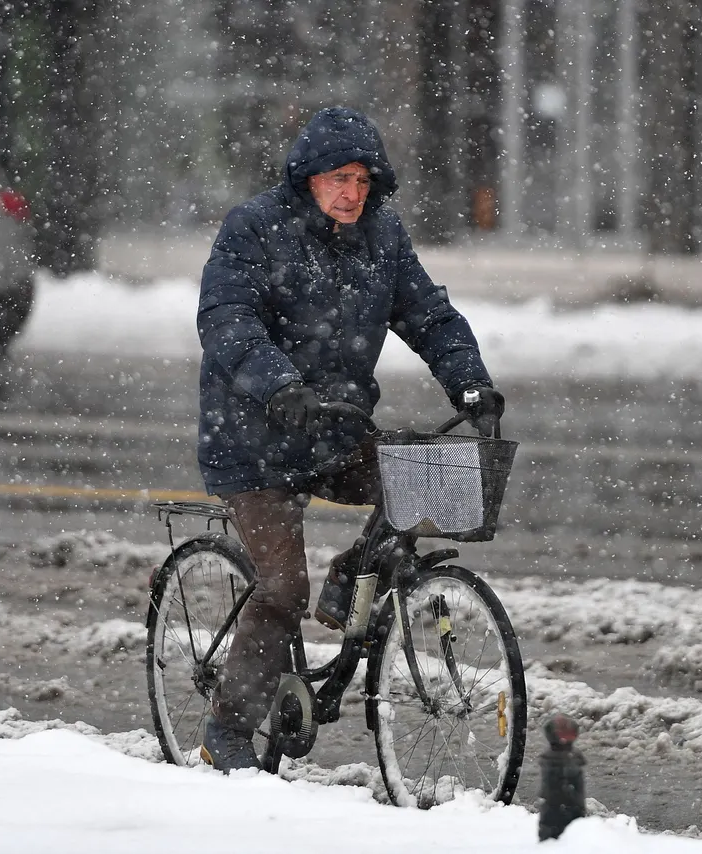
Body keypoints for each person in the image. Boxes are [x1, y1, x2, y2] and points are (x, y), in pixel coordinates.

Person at [194, 106, 504, 772]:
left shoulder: (381, 238)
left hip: (333, 429)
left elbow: (429, 315)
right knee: (280, 590)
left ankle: (350, 577)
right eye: (340, 177)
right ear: (307, 177)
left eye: (364, 180)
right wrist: (278, 386)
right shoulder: (253, 231)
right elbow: (228, 322)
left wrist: (471, 384)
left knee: (419, 486)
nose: (353, 192)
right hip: (254, 441)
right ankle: (227, 727)